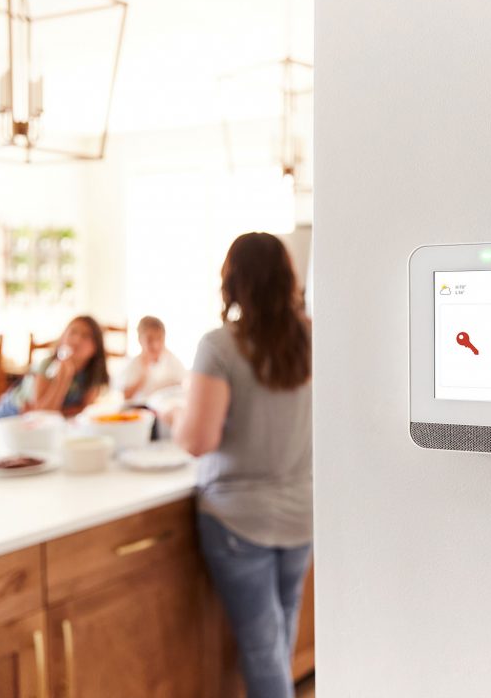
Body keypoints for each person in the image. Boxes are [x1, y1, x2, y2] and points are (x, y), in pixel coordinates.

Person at [173, 232, 312, 698]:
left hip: (239, 518)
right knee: (280, 633)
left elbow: (198, 440)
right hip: (302, 512)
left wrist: (174, 417)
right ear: (287, 280)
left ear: (232, 281)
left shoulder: (220, 346)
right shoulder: (312, 336)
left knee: (262, 648)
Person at [0, 315, 109, 419]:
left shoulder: (93, 375)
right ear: (62, 338)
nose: (77, 340)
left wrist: (56, 411)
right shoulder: (47, 366)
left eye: (86, 336)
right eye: (73, 332)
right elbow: (42, 414)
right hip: (12, 416)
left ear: (96, 347)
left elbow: (83, 410)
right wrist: (63, 378)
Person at [119, 315, 186, 403]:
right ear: (139, 340)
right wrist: (143, 375)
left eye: (159, 339)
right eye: (149, 340)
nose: (155, 345)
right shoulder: (134, 364)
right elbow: (126, 396)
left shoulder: (172, 361)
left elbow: (184, 386)